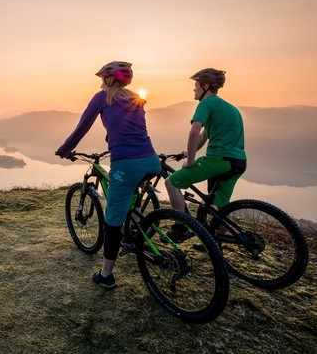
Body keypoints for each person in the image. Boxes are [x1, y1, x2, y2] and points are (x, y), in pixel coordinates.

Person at [55, 61, 160, 289]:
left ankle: (106, 275)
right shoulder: (136, 99)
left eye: (102, 78)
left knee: (112, 220)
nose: (100, 82)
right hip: (151, 159)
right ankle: (136, 228)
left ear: (110, 79)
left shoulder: (102, 98)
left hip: (126, 164)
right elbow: (131, 129)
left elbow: (82, 127)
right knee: (128, 201)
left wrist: (65, 149)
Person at [164, 68, 247, 242]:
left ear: (206, 86)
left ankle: (180, 229)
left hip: (219, 159)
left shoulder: (206, 104)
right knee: (220, 206)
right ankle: (217, 243)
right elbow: (204, 136)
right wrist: (189, 152)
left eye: (196, 85)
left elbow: (194, 132)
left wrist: (190, 161)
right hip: (238, 162)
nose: (194, 89)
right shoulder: (228, 108)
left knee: (171, 182)